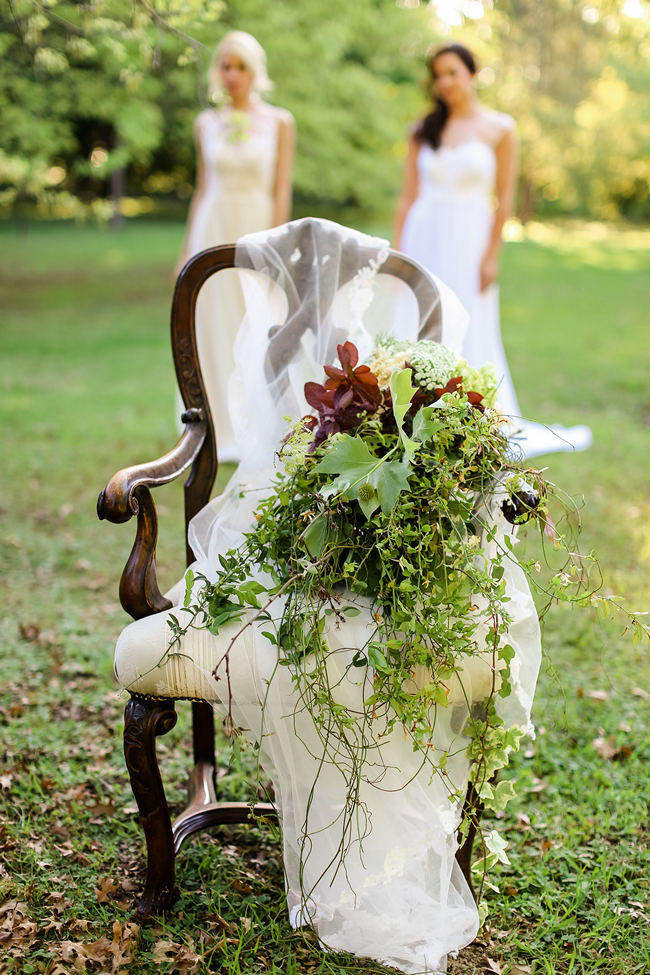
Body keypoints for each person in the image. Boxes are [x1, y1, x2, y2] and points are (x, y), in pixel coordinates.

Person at [394, 43, 591, 458]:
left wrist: (491, 255)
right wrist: (398, 253)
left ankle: (470, 418)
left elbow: (503, 200)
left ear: (472, 73)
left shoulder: (499, 129)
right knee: (420, 322)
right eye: (438, 75)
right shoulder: (422, 130)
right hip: (423, 235)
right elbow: (407, 196)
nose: (445, 82)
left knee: (470, 323)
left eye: (452, 72)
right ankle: (413, 415)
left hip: (469, 239)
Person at [175, 30, 295, 461]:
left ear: (254, 70)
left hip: (256, 227)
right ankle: (211, 426)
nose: (232, 74)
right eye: (225, 65)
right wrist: (185, 250)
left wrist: (277, 245)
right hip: (213, 225)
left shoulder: (280, 121)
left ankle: (256, 425)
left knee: (255, 321)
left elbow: (281, 188)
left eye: (240, 66)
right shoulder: (206, 123)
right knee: (211, 325)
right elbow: (202, 189)